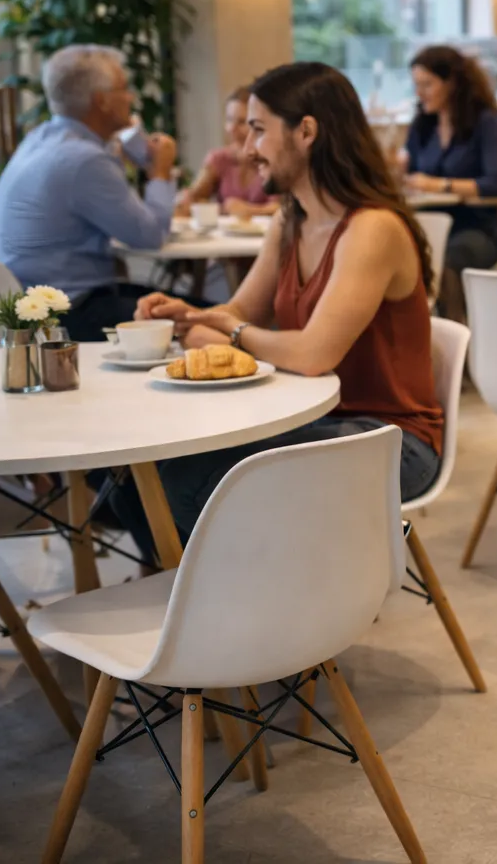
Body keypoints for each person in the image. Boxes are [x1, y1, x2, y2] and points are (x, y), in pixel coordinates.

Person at [109, 62, 444, 561]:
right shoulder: (292, 219)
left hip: (388, 442)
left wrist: (231, 330)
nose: (247, 150)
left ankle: (249, 608)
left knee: (184, 478)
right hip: (316, 419)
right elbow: (241, 309)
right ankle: (199, 607)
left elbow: (312, 354)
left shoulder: (372, 228)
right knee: (136, 475)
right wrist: (190, 318)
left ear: (306, 132)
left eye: (259, 131)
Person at [0, 44, 179, 339]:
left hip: (22, 308)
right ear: (102, 101)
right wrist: (161, 172)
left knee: (177, 305)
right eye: (124, 89)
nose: (132, 98)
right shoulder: (85, 159)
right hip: (66, 316)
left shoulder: (39, 139)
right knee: (201, 318)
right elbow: (151, 236)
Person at [399, 45, 497, 321]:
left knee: (448, 261)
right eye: (416, 85)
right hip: (426, 223)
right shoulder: (422, 125)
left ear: (453, 84)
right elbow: (409, 176)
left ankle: (456, 343)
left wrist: (439, 185)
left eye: (427, 84)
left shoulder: (485, 122)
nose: (419, 93)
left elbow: (495, 183)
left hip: (475, 227)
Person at [175, 85, 277, 218]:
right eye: (229, 120)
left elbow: (283, 208)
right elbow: (194, 195)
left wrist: (248, 210)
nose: (232, 128)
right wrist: (184, 199)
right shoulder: (218, 158)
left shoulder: (273, 160)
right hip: (226, 237)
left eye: (241, 122)